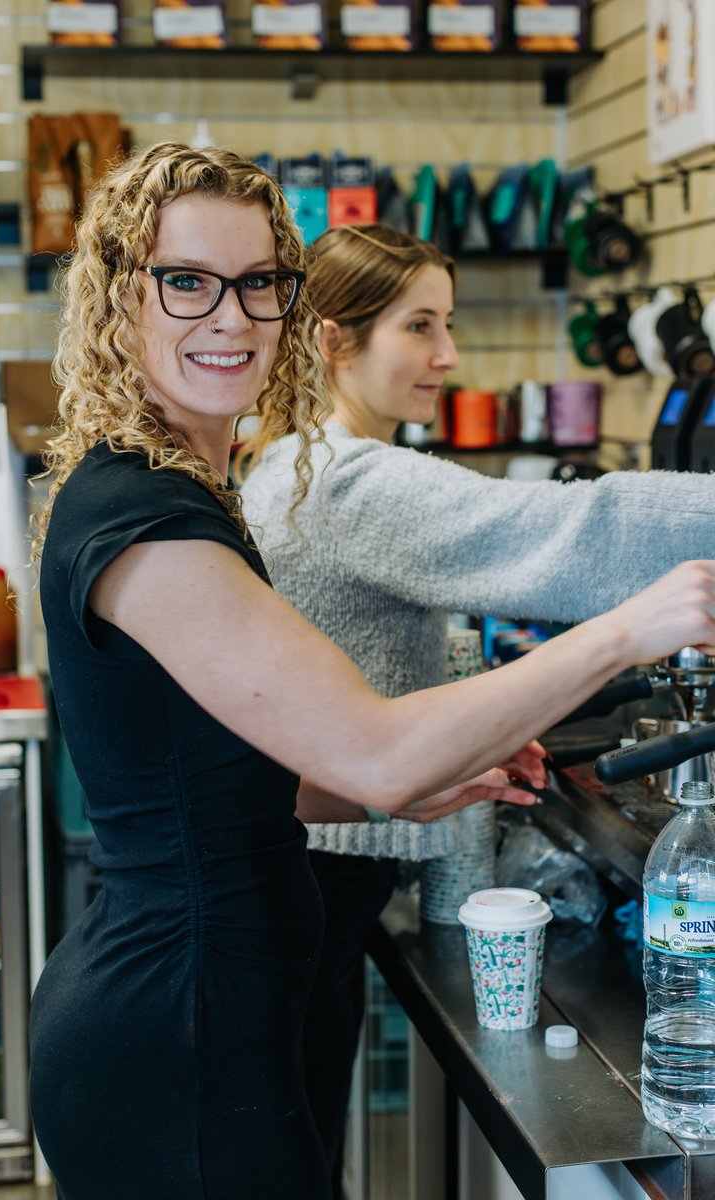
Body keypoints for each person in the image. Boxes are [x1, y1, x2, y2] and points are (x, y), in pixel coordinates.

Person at [28, 148, 715, 1200]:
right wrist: (632, 625)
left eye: (259, 282)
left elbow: (225, 779)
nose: (230, 317)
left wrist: (424, 782)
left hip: (205, 1006)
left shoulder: (176, 490)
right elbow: (377, 749)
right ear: (121, 300)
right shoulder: (148, 525)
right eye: (185, 281)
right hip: (179, 1031)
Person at [238, 222, 715, 1196]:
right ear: (334, 339)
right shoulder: (346, 481)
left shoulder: (295, 461)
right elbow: (571, 528)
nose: (446, 358)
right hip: (299, 895)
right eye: (419, 327)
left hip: (305, 877)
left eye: (445, 326)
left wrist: (464, 739)